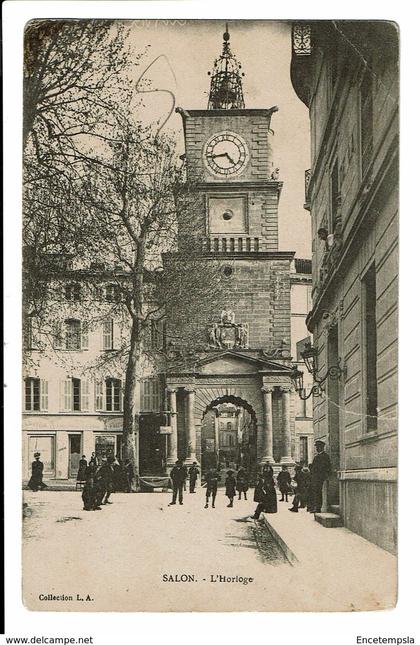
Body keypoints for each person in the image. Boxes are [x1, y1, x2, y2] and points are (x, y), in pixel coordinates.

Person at [310, 440, 331, 513]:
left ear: (322, 447)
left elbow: (328, 467)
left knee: (318, 492)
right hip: (315, 477)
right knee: (315, 492)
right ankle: (315, 507)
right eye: (316, 447)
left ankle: (318, 507)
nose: (317, 448)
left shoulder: (325, 456)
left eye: (318, 447)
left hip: (320, 478)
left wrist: (325, 476)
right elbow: (313, 467)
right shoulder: (316, 457)